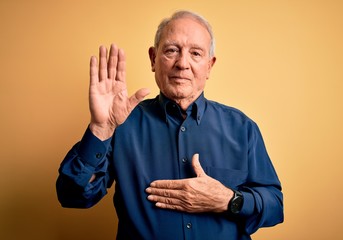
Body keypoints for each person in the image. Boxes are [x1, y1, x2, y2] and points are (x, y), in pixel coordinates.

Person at [56, 10, 283, 240]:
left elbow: (275, 206)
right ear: (153, 59)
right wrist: (101, 129)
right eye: (172, 50)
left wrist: (229, 200)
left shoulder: (242, 128)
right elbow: (71, 195)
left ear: (210, 66)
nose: (182, 64)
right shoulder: (121, 124)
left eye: (195, 53)